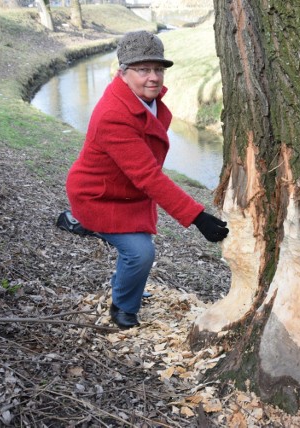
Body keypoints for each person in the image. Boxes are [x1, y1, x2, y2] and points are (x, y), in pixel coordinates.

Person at [65, 31, 229, 329]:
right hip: (99, 196)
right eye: (143, 70)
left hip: (126, 191)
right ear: (123, 73)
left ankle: (118, 272)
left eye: (158, 69)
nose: (153, 77)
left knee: (136, 247)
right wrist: (197, 216)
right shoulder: (114, 114)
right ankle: (123, 307)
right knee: (140, 252)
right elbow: (148, 175)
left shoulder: (143, 99)